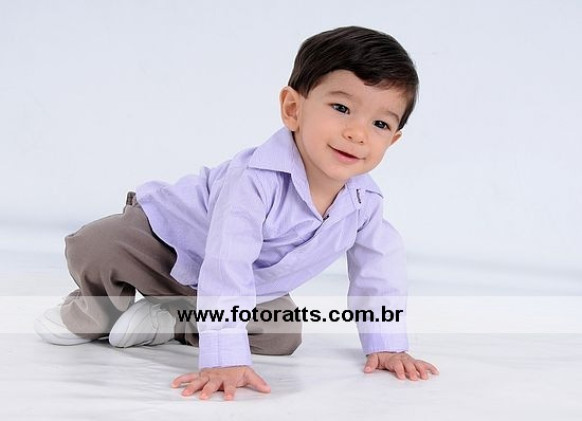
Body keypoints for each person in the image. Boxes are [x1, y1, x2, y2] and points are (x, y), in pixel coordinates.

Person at [34, 25, 439, 400]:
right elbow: (228, 261)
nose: (358, 133)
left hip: (238, 286)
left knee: (281, 335)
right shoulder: (255, 179)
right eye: (342, 108)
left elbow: (378, 274)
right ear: (293, 109)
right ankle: (98, 309)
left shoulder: (364, 203)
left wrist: (387, 343)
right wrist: (224, 357)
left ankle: (172, 317)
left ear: (394, 140)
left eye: (380, 124)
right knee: (96, 246)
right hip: (167, 246)